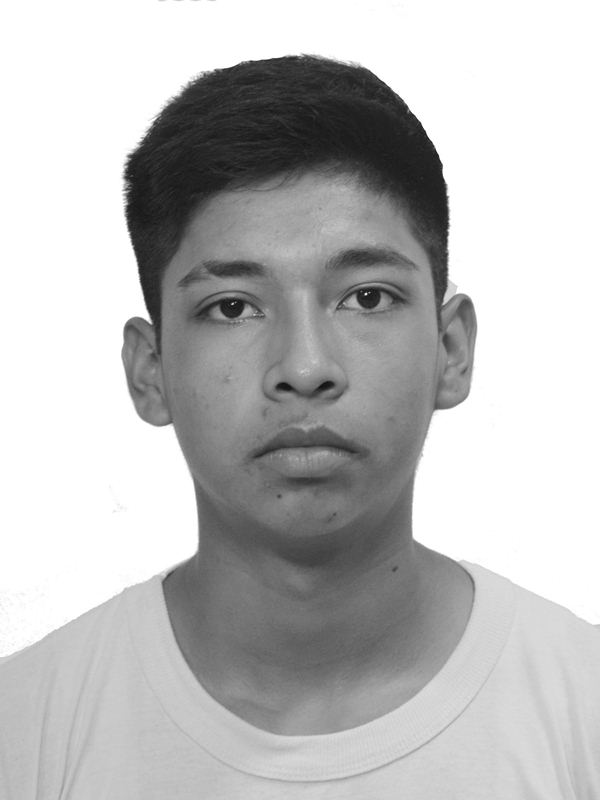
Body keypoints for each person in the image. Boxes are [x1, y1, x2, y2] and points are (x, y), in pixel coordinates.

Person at [1, 54, 598, 798]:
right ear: (150, 370)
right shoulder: (22, 732)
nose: (305, 366)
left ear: (450, 350)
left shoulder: (583, 711)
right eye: (232, 307)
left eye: (367, 297)